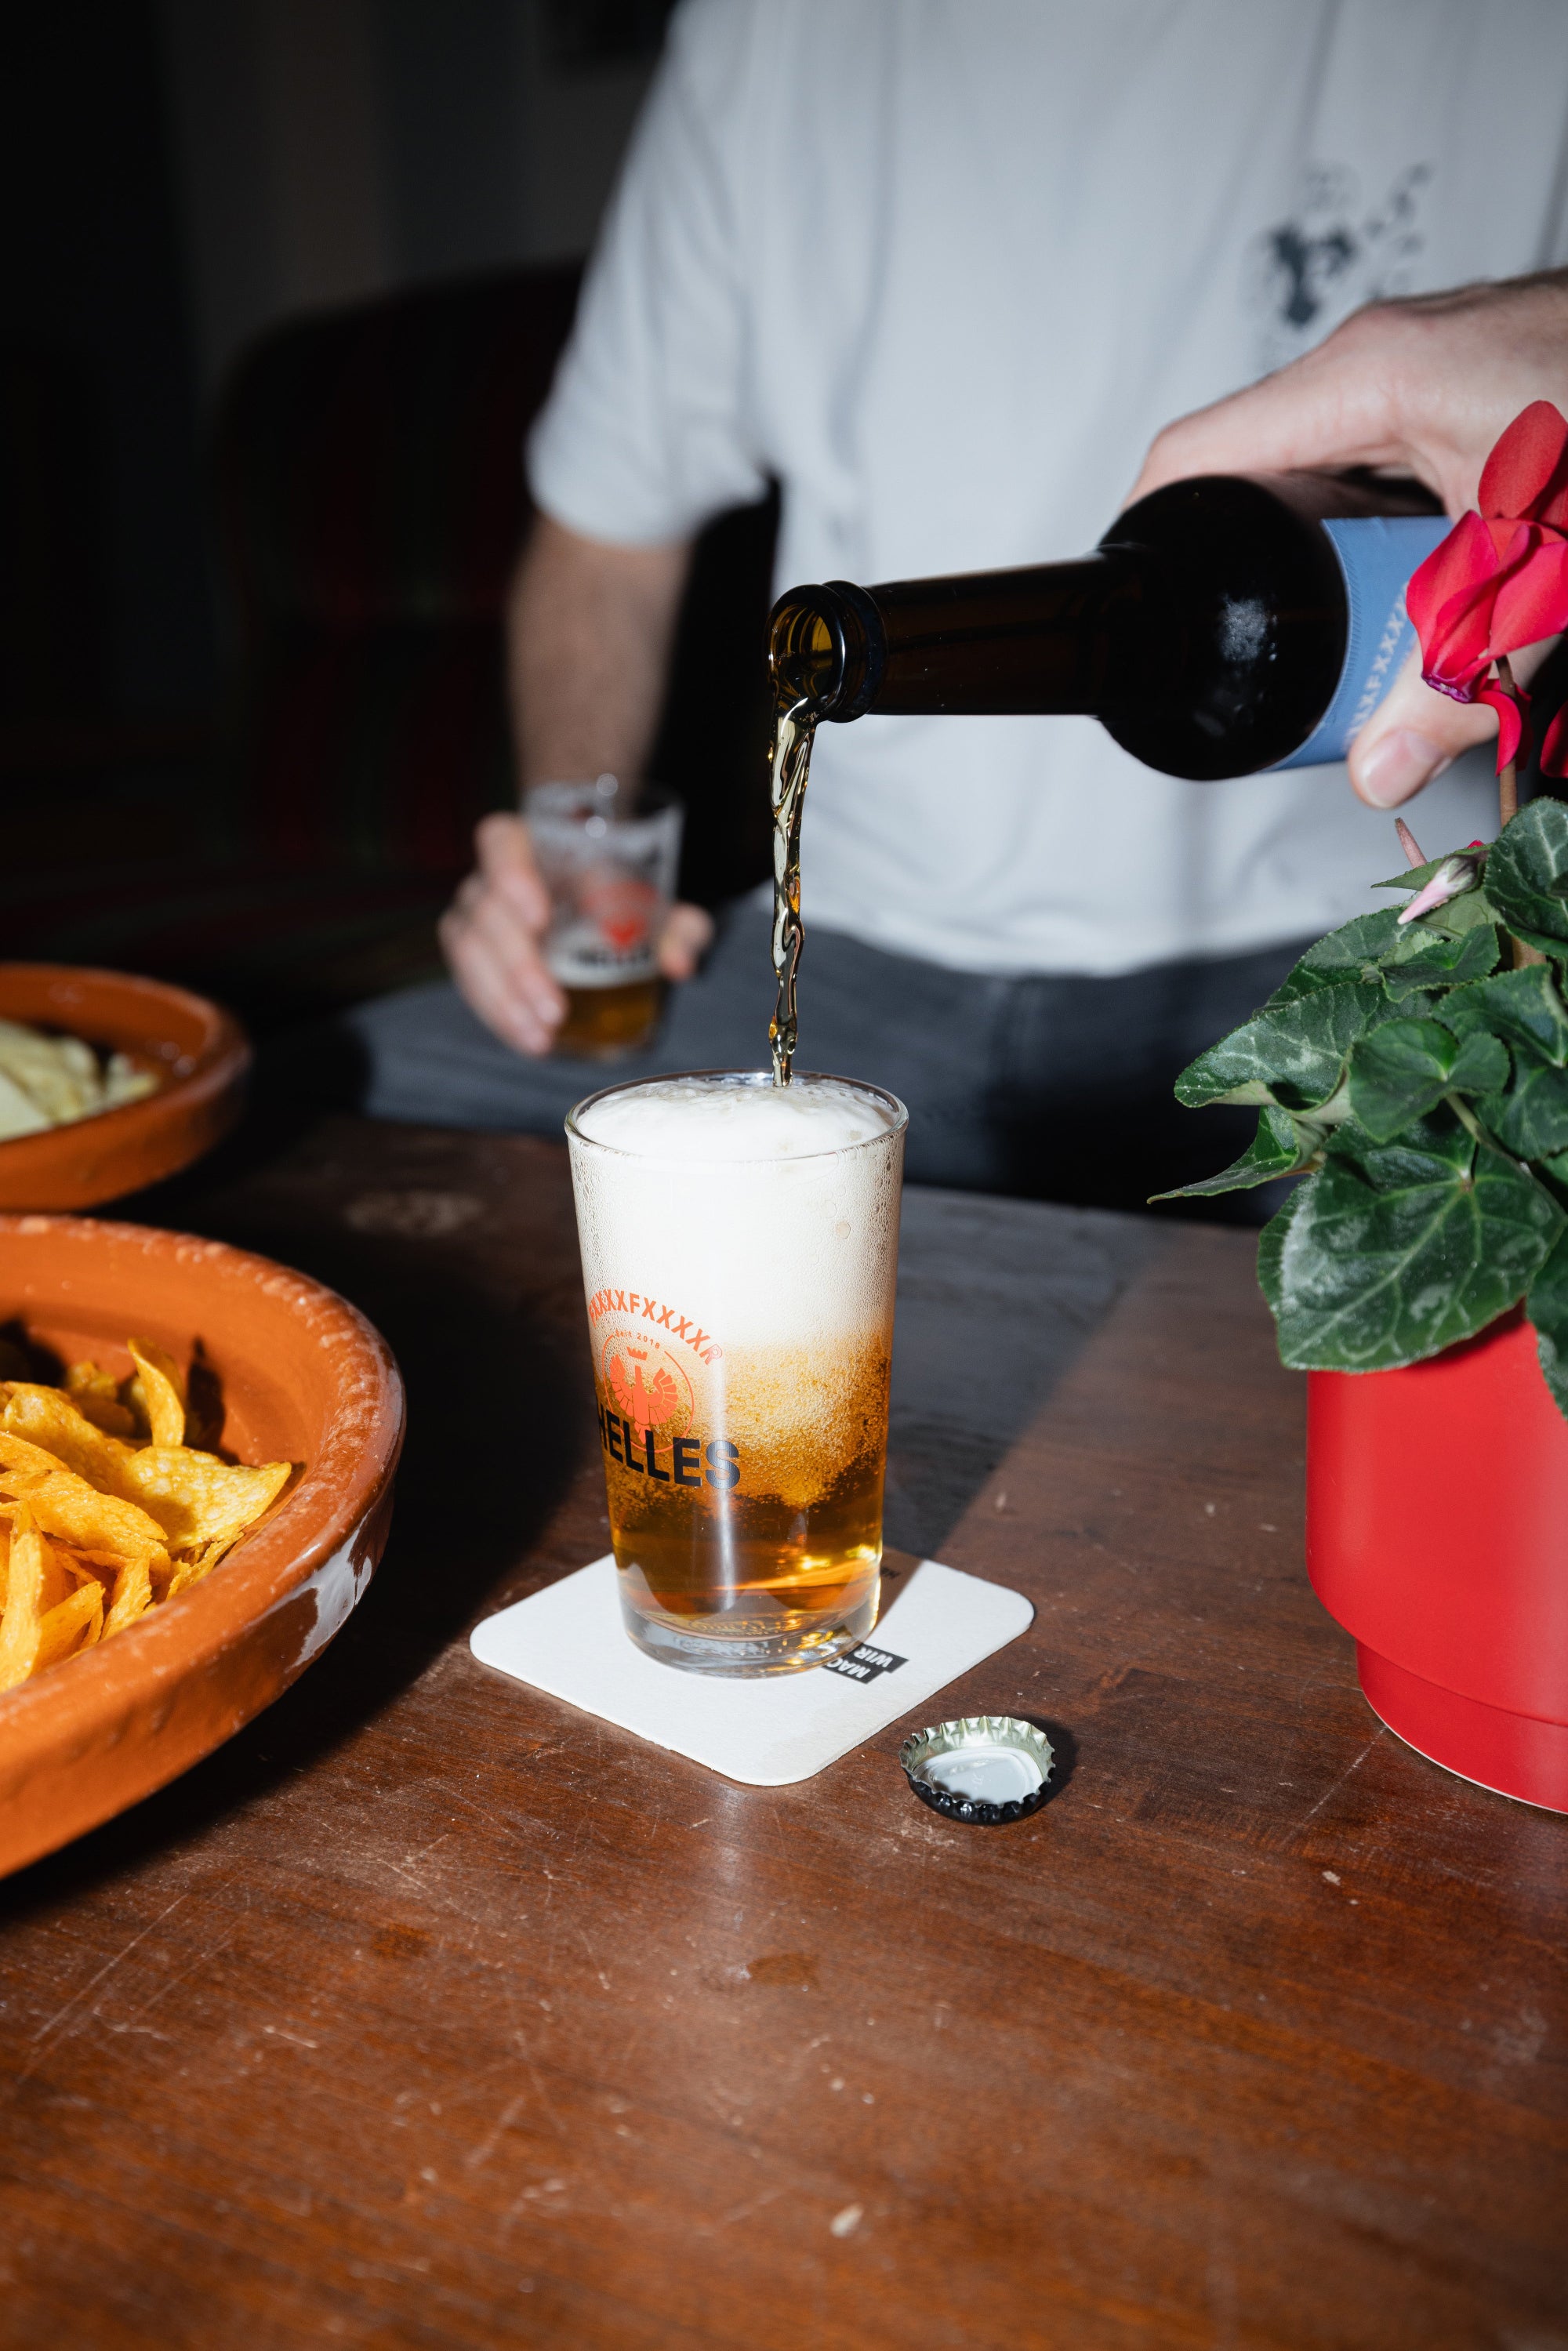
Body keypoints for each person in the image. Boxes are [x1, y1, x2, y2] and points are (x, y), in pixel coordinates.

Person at [343, 1, 1568, 1206]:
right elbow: (608, 529)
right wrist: (574, 857)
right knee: (316, 1111)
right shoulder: (769, 30)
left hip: (1358, 946)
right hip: (852, 948)